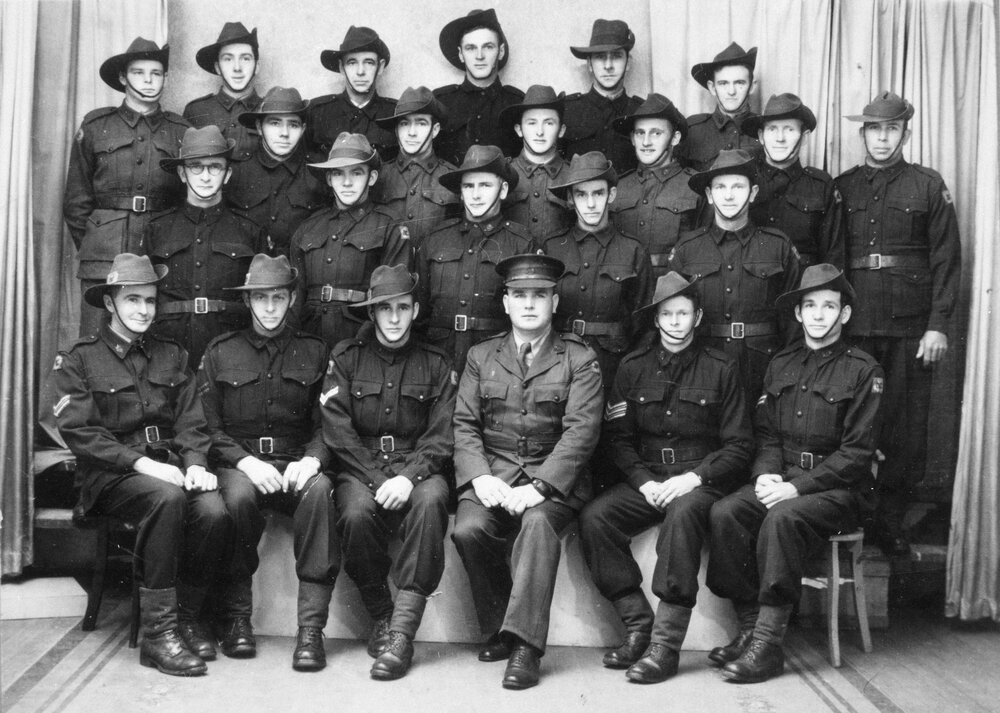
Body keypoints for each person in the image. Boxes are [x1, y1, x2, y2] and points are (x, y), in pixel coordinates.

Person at [52, 253, 229, 677]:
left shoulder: (172, 354)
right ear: (110, 303)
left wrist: (197, 461)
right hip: (109, 479)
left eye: (150, 301)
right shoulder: (79, 358)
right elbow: (81, 434)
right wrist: (139, 464)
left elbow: (192, 420)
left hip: (168, 469)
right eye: (132, 300)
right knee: (166, 499)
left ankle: (186, 617)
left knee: (214, 510)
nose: (143, 311)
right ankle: (158, 636)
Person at [707, 264, 882, 683]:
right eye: (810, 306)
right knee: (726, 512)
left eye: (829, 306)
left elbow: (856, 454)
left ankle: (768, 645)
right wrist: (767, 474)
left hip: (839, 493)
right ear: (799, 314)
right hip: (783, 479)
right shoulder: (781, 363)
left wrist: (794, 487)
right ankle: (749, 627)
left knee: (783, 518)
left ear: (844, 315)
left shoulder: (864, 370)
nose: (819, 315)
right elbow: (766, 433)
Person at [579, 272, 752, 683]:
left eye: (683, 313)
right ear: (656, 319)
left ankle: (665, 645)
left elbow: (739, 446)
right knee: (595, 518)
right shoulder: (632, 367)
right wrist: (643, 481)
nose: (675, 322)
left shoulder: (722, 368)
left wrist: (694, 478)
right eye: (667, 314)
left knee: (683, 515)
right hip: (651, 478)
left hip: (700, 482)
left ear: (698, 316)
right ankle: (638, 625)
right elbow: (617, 440)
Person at [452, 253, 604, 689]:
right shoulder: (482, 355)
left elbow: (582, 433)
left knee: (537, 525)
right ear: (506, 303)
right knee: (468, 529)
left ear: (555, 302)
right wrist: (480, 476)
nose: (530, 304)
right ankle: (501, 626)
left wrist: (539, 486)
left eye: (540, 295)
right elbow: (464, 423)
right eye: (520, 295)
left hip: (554, 480)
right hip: (493, 472)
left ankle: (524, 646)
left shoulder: (579, 358)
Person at [835, 92, 961, 555]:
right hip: (857, 325)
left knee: (904, 431)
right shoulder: (842, 187)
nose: (882, 137)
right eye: (873, 129)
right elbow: (833, 259)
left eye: (891, 129)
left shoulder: (928, 186)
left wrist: (938, 325)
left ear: (905, 133)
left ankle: (890, 523)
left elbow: (947, 260)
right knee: (851, 426)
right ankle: (852, 516)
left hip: (911, 329)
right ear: (862, 133)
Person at [198, 254, 338, 670]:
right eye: (261, 298)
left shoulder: (315, 351)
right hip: (243, 465)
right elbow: (208, 427)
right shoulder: (221, 352)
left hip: (296, 462)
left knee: (322, 493)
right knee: (236, 499)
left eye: (279, 297)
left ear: (292, 299)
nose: (270, 307)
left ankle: (311, 631)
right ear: (249, 301)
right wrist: (244, 462)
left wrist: (313, 459)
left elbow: (330, 423)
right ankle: (237, 619)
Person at [320, 264, 456, 681]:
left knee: (432, 501)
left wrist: (408, 478)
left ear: (415, 311)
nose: (394, 318)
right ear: (372, 314)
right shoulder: (346, 358)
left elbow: (442, 436)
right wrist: (380, 481)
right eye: (384, 309)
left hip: (418, 466)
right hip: (361, 469)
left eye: (402, 308)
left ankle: (401, 633)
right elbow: (338, 433)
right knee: (357, 513)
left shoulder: (436, 362)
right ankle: (380, 613)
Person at [63, 37, 188, 336]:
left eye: (156, 73)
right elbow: (76, 202)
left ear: (166, 78)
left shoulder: (181, 131)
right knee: (96, 343)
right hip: (103, 258)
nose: (148, 80)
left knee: (159, 344)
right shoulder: (96, 127)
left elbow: (188, 198)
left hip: (161, 251)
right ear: (122, 77)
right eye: (138, 72)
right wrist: (98, 243)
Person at [668, 149, 799, 402]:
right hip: (702, 368)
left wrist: (784, 375)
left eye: (738, 187)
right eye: (720, 187)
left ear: (753, 193)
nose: (728, 195)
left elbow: (793, 322)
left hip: (764, 366)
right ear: (708, 194)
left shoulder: (778, 246)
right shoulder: (687, 249)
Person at [146, 126, 263, 369]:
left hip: (231, 349)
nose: (206, 176)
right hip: (168, 348)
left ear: (227, 174)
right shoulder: (158, 229)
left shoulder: (249, 231)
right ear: (181, 173)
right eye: (196, 166)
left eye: (215, 167)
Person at [541, 151, 652, 398]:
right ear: (570, 198)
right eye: (581, 194)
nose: (590, 204)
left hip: (611, 367)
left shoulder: (632, 250)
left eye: (598, 193)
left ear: (611, 195)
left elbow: (644, 324)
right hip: (558, 366)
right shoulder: (552, 247)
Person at [416, 144, 533, 369]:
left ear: (503, 189)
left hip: (496, 363)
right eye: (469, 186)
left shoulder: (521, 243)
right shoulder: (436, 239)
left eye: (485, 185)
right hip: (438, 360)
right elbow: (419, 313)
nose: (476, 195)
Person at [290, 132, 412, 347]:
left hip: (362, 339)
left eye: (356, 173)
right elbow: (295, 295)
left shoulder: (389, 225)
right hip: (310, 338)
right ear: (329, 178)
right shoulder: (307, 228)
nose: (347, 182)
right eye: (338, 174)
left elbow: (394, 294)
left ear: (371, 178)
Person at [225, 86, 328, 256]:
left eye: (293, 125)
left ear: (303, 129)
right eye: (275, 123)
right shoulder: (237, 171)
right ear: (259, 127)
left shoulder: (317, 173)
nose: (284, 133)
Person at [611, 93, 706, 277]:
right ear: (632, 138)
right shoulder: (618, 187)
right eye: (640, 133)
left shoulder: (695, 186)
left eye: (656, 133)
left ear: (675, 138)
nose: (646, 142)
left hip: (675, 294)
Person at [744, 93, 842, 268]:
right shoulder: (745, 182)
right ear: (761, 135)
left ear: (804, 137)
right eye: (772, 129)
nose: (780, 138)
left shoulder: (821, 186)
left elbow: (833, 256)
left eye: (789, 129)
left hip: (802, 288)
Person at [371, 86, 460, 245]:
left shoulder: (452, 178)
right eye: (404, 124)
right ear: (397, 130)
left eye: (421, 123)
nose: (412, 132)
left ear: (435, 130)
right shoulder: (379, 176)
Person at [433, 9, 524, 163]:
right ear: (461, 54)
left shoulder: (518, 103)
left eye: (488, 47)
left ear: (501, 51)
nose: (479, 56)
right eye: (471, 48)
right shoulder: (440, 102)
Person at [562, 19, 643, 174]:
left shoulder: (641, 112)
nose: (608, 65)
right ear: (589, 64)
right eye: (600, 57)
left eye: (617, 56)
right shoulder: (567, 111)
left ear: (628, 63)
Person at [307, 26, 398, 160]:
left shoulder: (395, 114)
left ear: (380, 67)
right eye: (352, 63)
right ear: (341, 67)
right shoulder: (317, 112)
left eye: (369, 62)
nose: (360, 71)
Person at [499, 85, 575, 241]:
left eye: (548, 123)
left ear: (561, 130)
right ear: (519, 130)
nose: (540, 132)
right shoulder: (503, 173)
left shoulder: (574, 176)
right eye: (532, 123)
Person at [183, 22, 262, 162]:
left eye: (245, 58)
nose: (237, 67)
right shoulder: (196, 111)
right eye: (228, 59)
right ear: (217, 67)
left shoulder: (268, 110)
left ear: (256, 66)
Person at [676, 43, 762, 171]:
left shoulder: (765, 130)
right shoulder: (692, 130)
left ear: (752, 86)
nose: (731, 91)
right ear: (712, 87)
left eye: (739, 83)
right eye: (723, 83)